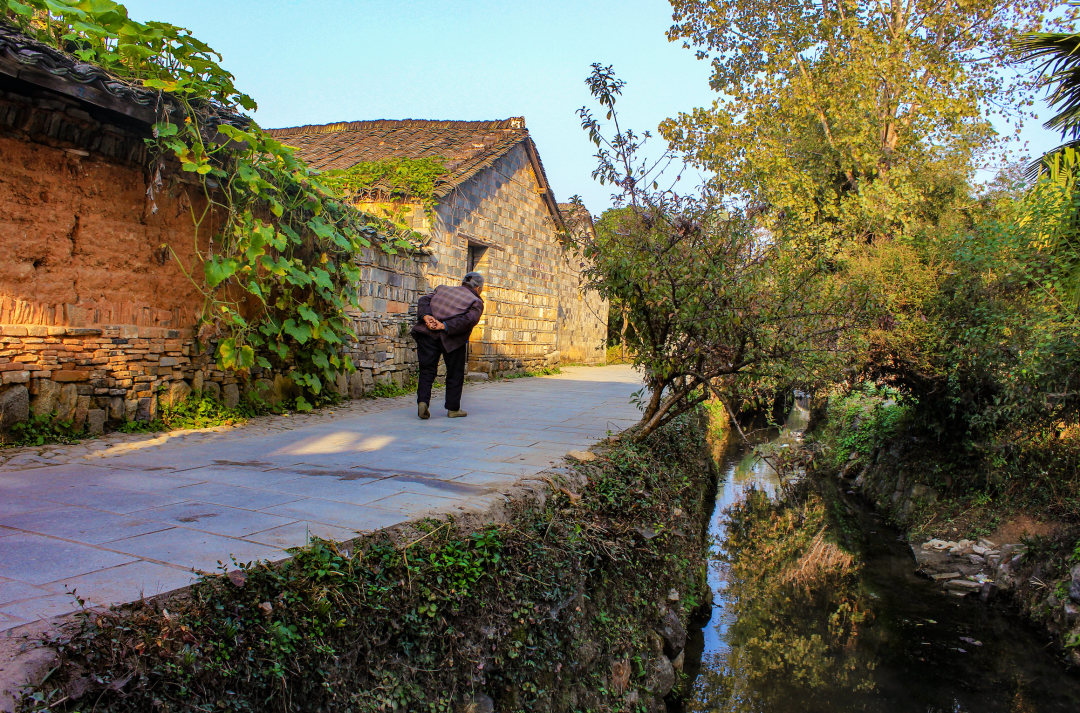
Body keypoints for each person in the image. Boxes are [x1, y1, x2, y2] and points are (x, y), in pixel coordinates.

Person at [412, 272, 485, 419]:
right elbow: (469, 320)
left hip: (427, 334)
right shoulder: (475, 301)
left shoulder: (442, 289)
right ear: (478, 288)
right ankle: (453, 409)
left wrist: (426, 316)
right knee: (455, 373)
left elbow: (424, 299)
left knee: (427, 370)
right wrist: (444, 325)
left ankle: (423, 402)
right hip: (453, 340)